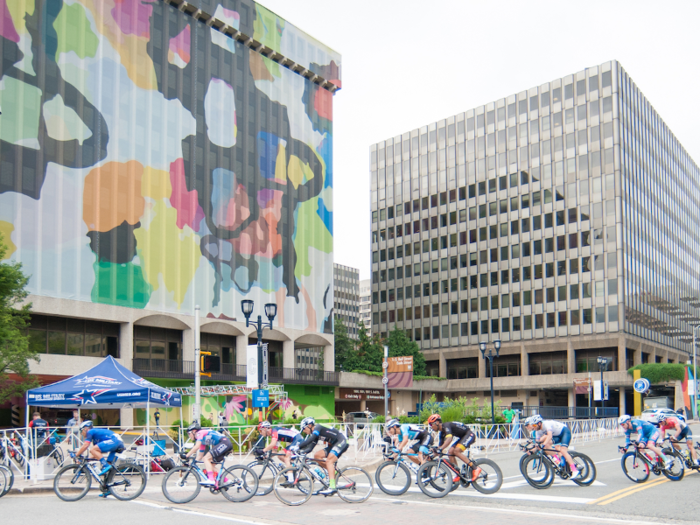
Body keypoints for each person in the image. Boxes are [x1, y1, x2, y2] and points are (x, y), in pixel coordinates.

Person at [296, 417, 348, 495]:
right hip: (334, 445)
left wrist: (298, 446)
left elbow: (311, 438)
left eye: (304, 428)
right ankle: (333, 471)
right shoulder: (316, 434)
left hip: (342, 441)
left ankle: (332, 487)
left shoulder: (318, 427)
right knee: (317, 456)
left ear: (309, 425)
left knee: (329, 461)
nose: (303, 430)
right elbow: (310, 448)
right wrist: (300, 452)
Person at [73, 420, 125, 497]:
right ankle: (107, 489)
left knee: (93, 450)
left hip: (115, 441)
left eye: (81, 431)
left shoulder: (90, 432)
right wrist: (87, 459)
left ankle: (106, 465)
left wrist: (76, 455)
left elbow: (86, 446)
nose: (81, 433)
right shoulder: (96, 439)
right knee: (108, 470)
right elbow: (97, 454)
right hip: (118, 443)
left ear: (85, 428)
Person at [427, 414, 481, 482]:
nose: (431, 427)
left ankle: (475, 468)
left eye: (431, 425)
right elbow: (440, 448)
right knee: (450, 452)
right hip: (463, 437)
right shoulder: (442, 433)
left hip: (469, 434)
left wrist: (440, 448)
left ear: (437, 423)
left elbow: (449, 439)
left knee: (456, 451)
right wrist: (432, 455)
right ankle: (458, 474)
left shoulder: (446, 426)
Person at [527, 414, 580, 479]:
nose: (534, 427)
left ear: (539, 423)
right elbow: (537, 443)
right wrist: (531, 450)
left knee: (563, 450)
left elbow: (550, 436)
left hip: (564, 432)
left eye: (534, 425)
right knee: (545, 446)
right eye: (533, 425)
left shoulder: (547, 424)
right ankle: (558, 462)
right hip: (557, 436)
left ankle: (574, 470)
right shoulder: (538, 431)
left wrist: (543, 444)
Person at [182, 422, 233, 487]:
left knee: (206, 458)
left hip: (224, 442)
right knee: (210, 466)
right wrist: (194, 462)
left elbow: (196, 446)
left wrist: (186, 455)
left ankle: (211, 480)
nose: (189, 436)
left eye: (189, 433)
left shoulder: (199, 433)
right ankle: (226, 480)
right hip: (224, 444)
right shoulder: (203, 441)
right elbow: (200, 455)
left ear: (194, 431)